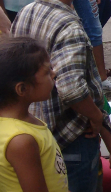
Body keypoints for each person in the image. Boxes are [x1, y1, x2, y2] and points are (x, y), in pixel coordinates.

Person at [11, 0, 110, 192]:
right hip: (72, 139)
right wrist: (96, 116)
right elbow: (73, 90)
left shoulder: (27, 10)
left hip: (40, 131)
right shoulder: (69, 27)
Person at [0, 37, 69, 192]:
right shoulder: (21, 140)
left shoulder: (24, 122)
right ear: (22, 89)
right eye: (47, 72)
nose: (54, 73)